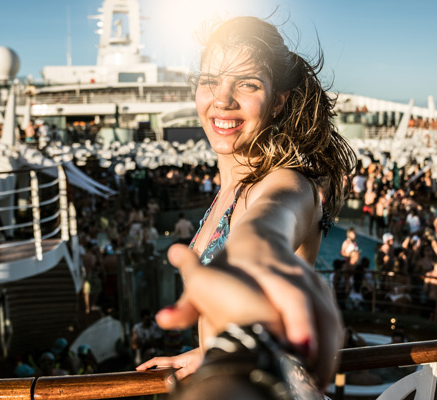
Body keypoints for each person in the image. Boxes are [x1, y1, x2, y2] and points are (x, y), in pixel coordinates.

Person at [137, 15, 355, 394]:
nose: (222, 99)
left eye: (247, 84)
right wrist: (208, 352)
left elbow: (272, 219)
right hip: (239, 370)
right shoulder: (231, 187)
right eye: (210, 81)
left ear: (277, 102)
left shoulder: (286, 183)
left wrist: (259, 248)